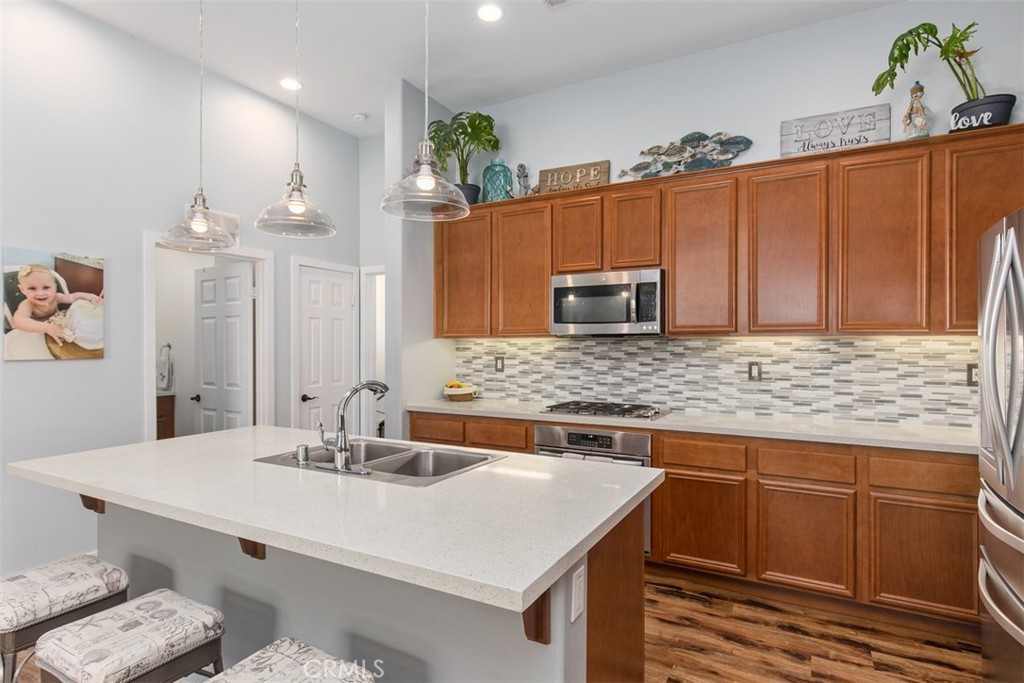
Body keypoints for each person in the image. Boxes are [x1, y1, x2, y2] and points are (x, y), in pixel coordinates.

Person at [10, 264, 101, 346]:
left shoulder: (56, 297)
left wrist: (89, 296)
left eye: (46, 287)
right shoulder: (27, 305)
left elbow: (72, 297)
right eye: (32, 288)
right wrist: (46, 328)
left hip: (58, 330)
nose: (41, 293)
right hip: (37, 333)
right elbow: (18, 321)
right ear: (22, 289)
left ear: (54, 288)